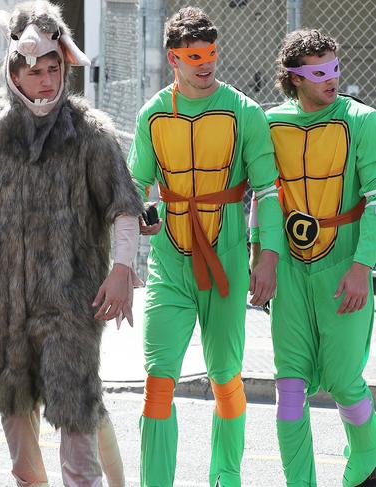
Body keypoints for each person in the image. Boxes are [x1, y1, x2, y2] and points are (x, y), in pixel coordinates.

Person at [0, 2, 143, 485]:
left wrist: (122, 270)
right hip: (1, 301)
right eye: (34, 70)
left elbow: (123, 208)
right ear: (12, 70)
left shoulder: (90, 133)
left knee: (76, 409)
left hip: (72, 302)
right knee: (15, 414)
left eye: (54, 68)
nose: (46, 80)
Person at [128, 7, 284, 486]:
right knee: (158, 383)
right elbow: (136, 186)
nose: (206, 63)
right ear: (173, 57)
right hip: (169, 265)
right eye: (194, 55)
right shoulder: (153, 113)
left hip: (229, 258)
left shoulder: (245, 111)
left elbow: (269, 191)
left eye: (211, 53)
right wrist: (143, 213)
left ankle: (226, 478)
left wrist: (268, 258)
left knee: (226, 379)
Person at [249, 29, 376, 487]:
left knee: (345, 382)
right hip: (290, 271)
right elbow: (263, 195)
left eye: (335, 69)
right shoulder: (270, 123)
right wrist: (259, 254)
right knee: (288, 388)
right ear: (294, 78)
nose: (332, 79)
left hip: (343, 265)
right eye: (319, 72)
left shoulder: (361, 120)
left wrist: (363, 266)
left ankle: (366, 466)